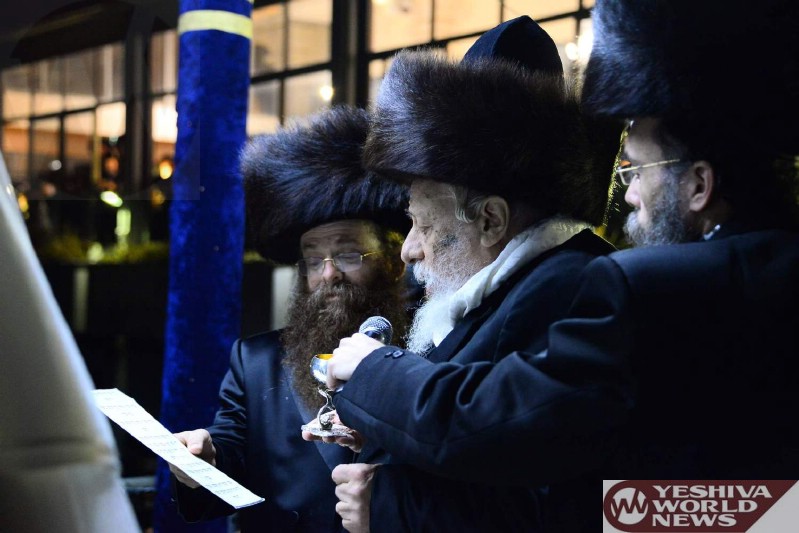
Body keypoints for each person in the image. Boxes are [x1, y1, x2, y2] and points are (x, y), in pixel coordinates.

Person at [315, 0, 799, 528]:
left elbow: (502, 431)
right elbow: (756, 505)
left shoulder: (633, 285)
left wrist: (374, 392)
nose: (628, 194)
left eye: (637, 170)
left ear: (700, 184)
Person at [304, 16, 622, 532]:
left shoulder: (575, 288)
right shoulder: (509, 283)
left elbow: (560, 500)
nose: (409, 250)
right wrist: (379, 430)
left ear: (491, 220)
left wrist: (390, 506)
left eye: (423, 225)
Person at [168, 105, 411, 532]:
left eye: (348, 254)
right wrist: (205, 459)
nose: (328, 274)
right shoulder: (255, 361)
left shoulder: (426, 350)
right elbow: (230, 454)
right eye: (313, 260)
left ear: (392, 260)